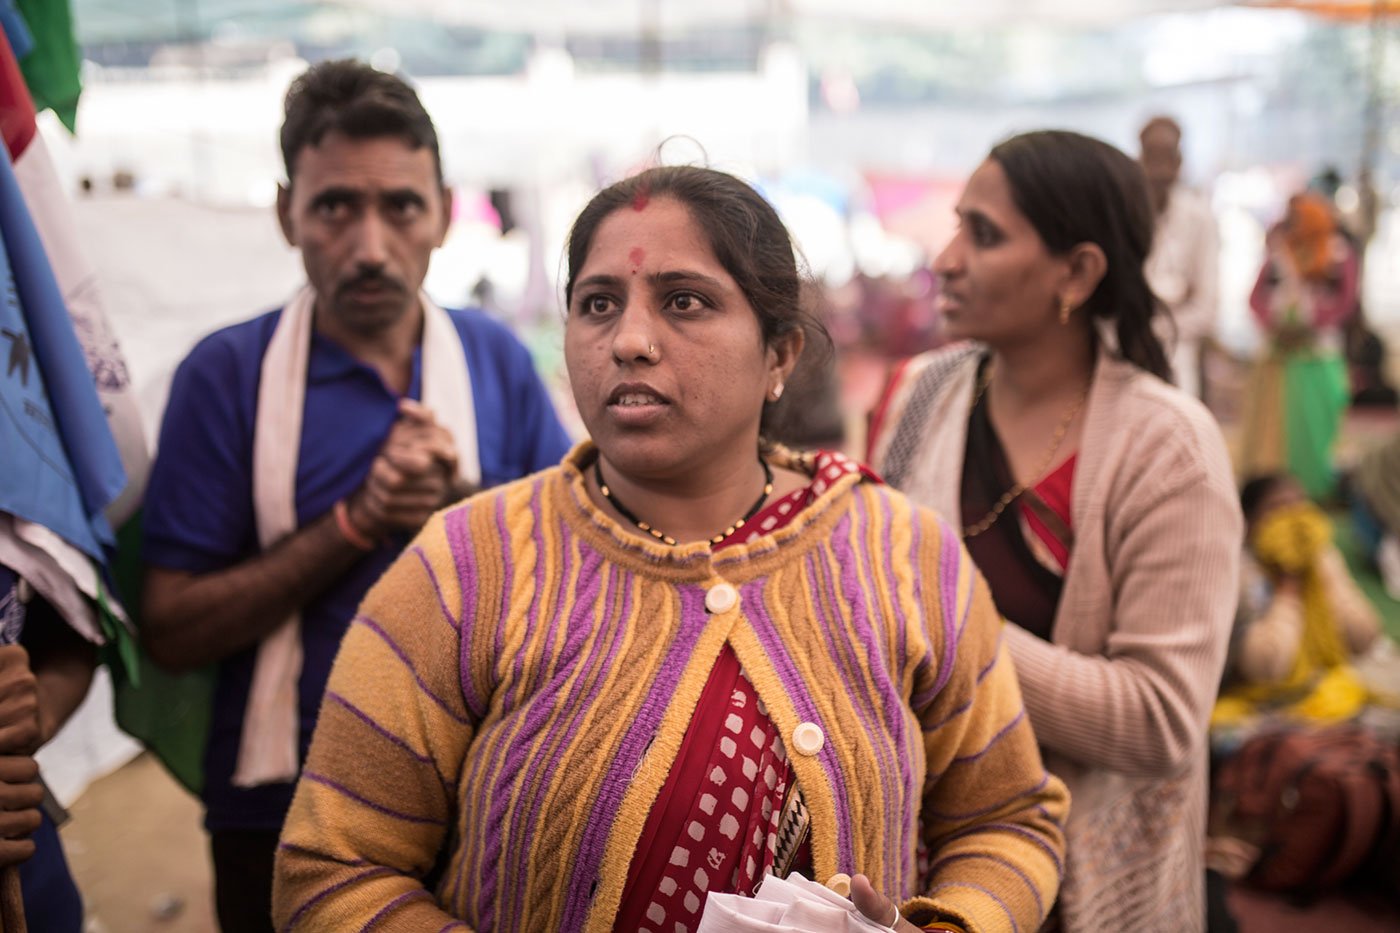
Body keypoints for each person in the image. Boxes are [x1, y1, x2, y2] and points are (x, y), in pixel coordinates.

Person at [272, 165, 1069, 932]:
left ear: (781, 355)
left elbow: (1008, 817)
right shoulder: (468, 565)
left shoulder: (904, 554)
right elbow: (334, 866)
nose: (629, 341)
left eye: (683, 301)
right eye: (597, 304)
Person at [139, 59, 570, 932]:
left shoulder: (493, 361)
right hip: (279, 807)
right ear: (286, 212)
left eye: (400, 207)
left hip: (482, 799)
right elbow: (174, 629)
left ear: (445, 214)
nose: (370, 246)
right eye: (336, 205)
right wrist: (356, 521)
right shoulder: (228, 376)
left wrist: (463, 501)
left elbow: (580, 571)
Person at [868, 130, 1241, 932]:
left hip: (1087, 881)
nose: (949, 257)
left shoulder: (1167, 447)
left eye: (986, 234)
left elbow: (1161, 719)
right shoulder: (922, 395)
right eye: (960, 223)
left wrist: (952, 626)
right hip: (932, 864)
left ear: (1077, 272)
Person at [1239, 191, 1359, 501]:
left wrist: (1309, 325)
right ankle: (1267, 500)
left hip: (1316, 360)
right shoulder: (1279, 255)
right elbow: (1256, 299)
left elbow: (1345, 303)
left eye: (1301, 218)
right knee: (1270, 437)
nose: (1294, 225)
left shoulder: (1338, 255)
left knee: (1314, 432)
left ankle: (1315, 494)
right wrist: (1276, 326)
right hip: (1278, 360)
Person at [1139, 116, 1219, 401]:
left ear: (1179, 160)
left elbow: (1205, 309)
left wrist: (1153, 329)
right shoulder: (1125, 212)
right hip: (1126, 359)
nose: (1158, 168)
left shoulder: (1199, 217)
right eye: (1151, 155)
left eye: (1167, 156)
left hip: (1180, 359)